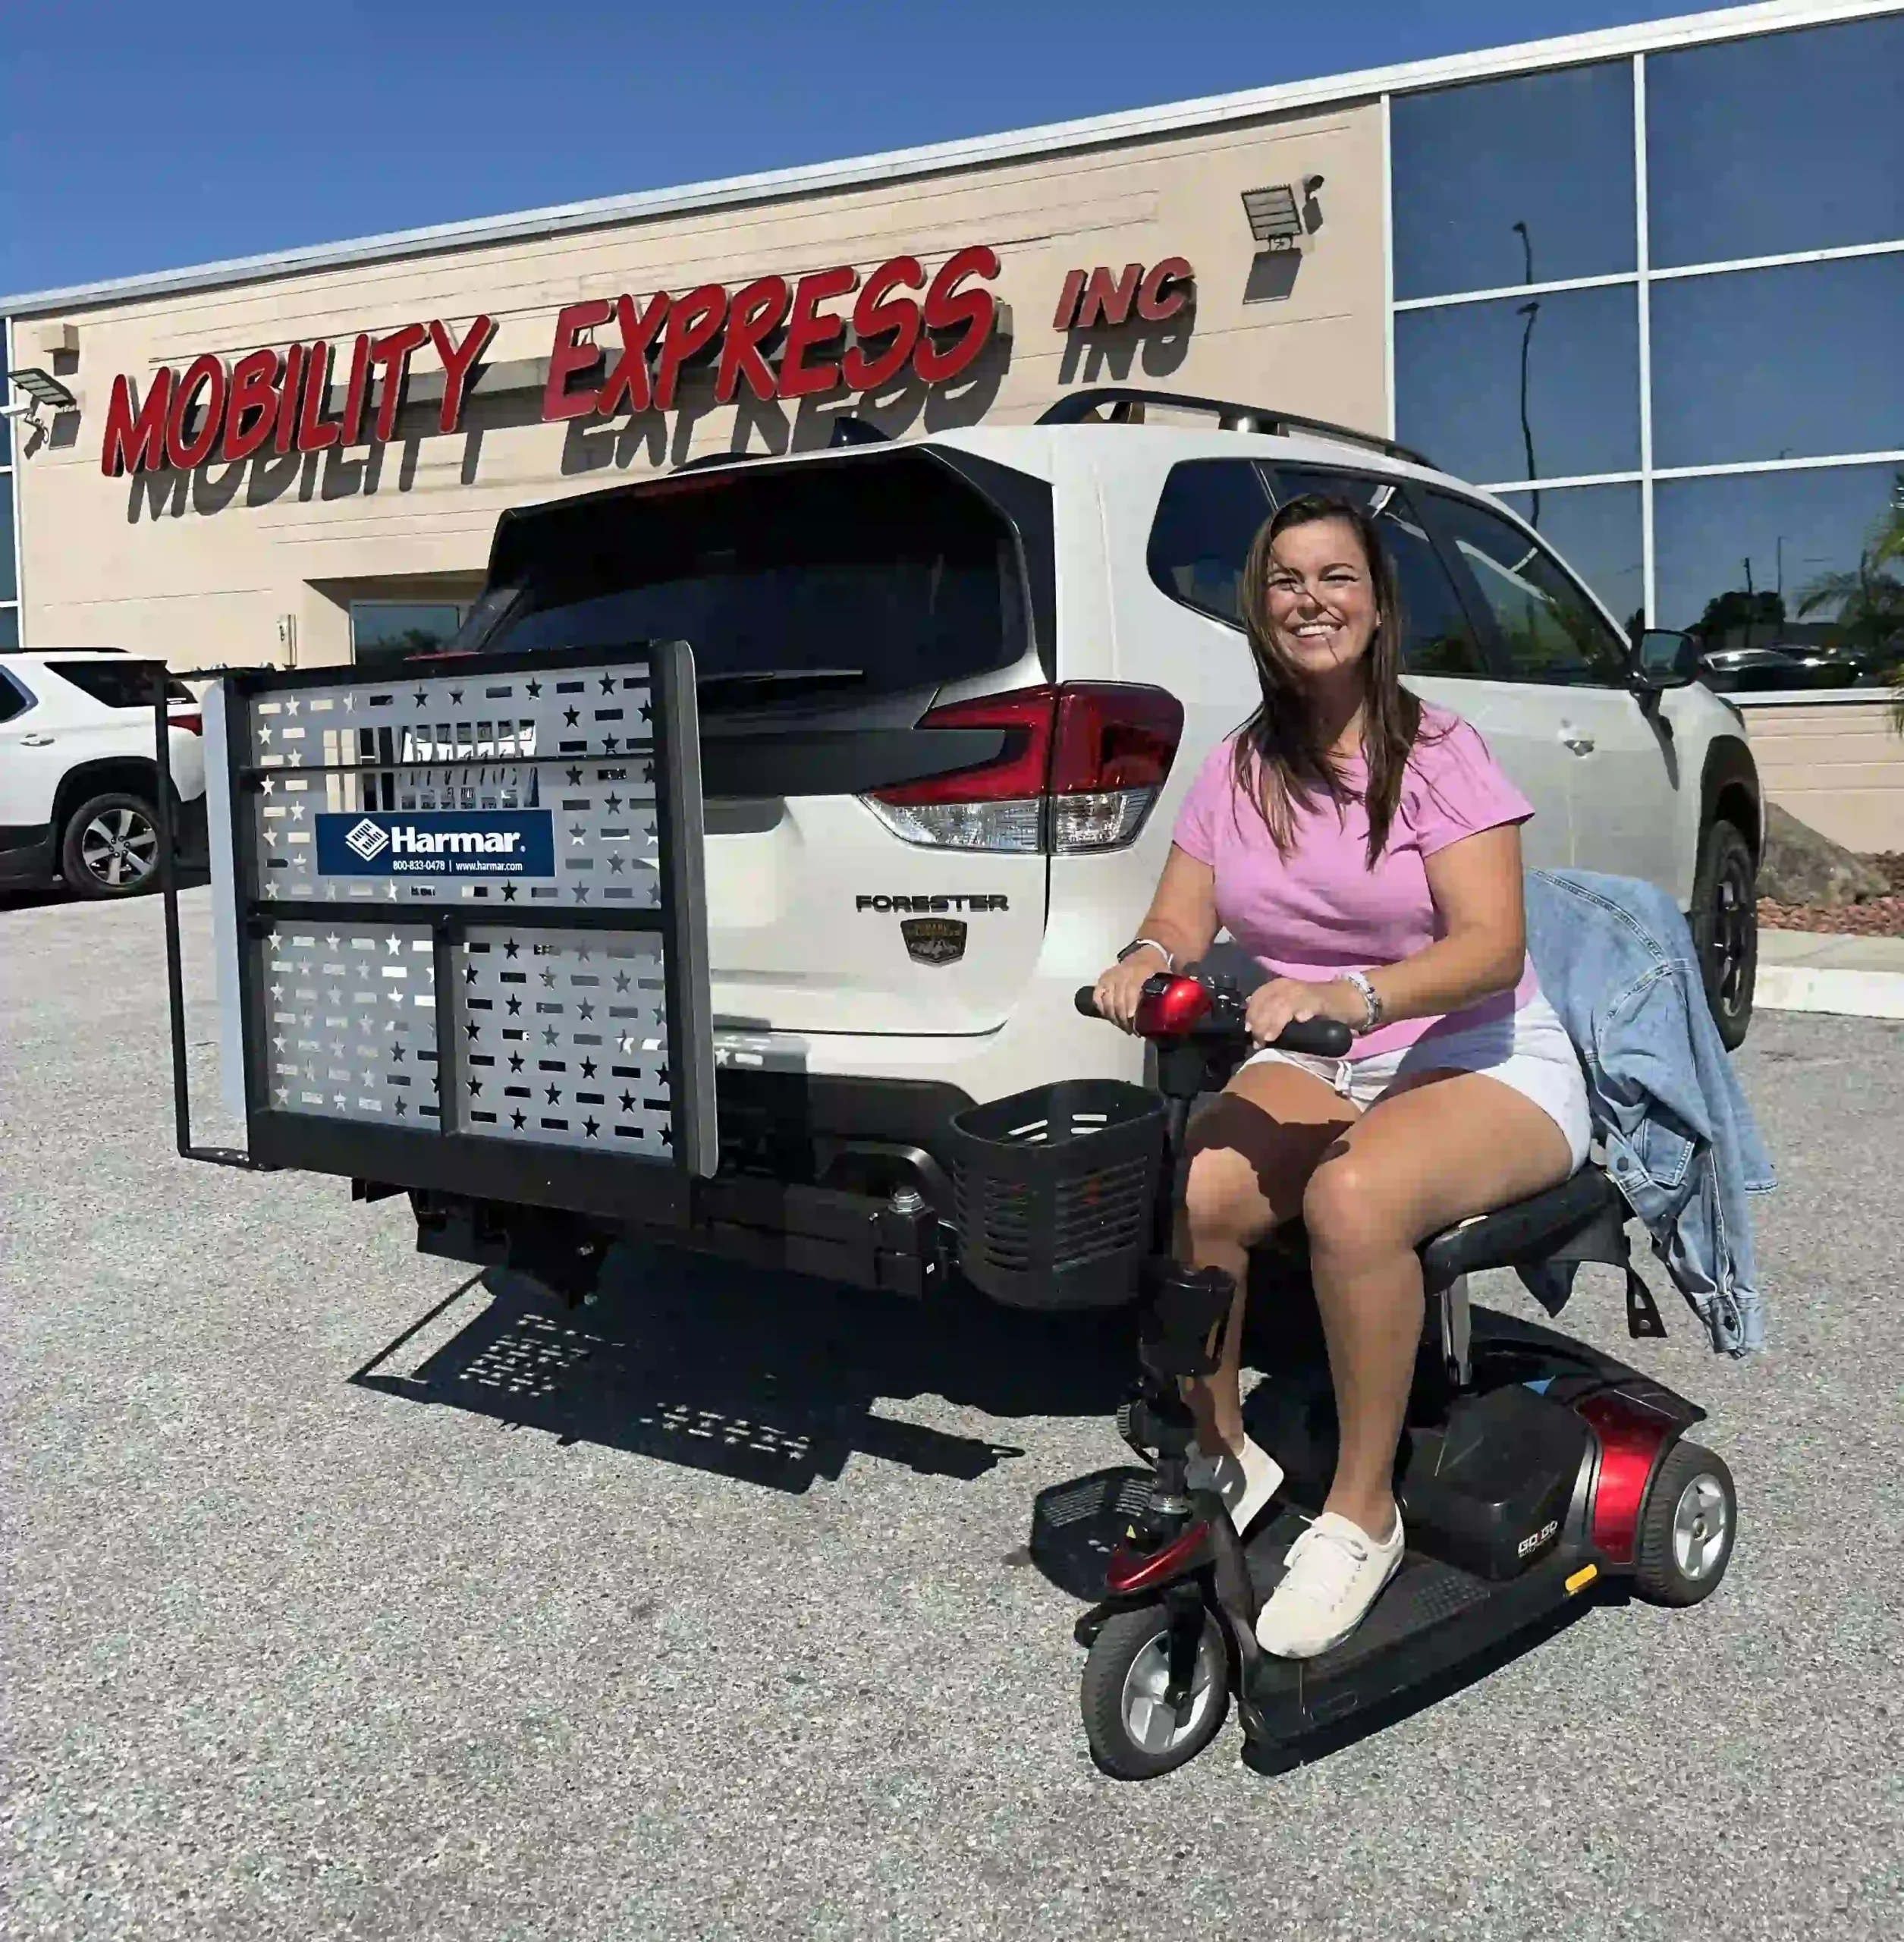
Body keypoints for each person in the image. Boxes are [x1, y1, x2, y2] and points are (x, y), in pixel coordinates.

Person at [1089, 492, 1591, 1659]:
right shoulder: (1238, 765)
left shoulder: (1439, 752)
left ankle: (1362, 1514)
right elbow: (1177, 912)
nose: (1309, 601)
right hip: (1324, 1056)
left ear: (1375, 605)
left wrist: (1351, 995)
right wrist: (1145, 959)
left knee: (1350, 1199)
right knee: (1209, 1178)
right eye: (1283, 582)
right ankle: (1224, 1448)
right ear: (1258, 611)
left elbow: (1489, 947)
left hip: (1478, 1052)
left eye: (1335, 579)